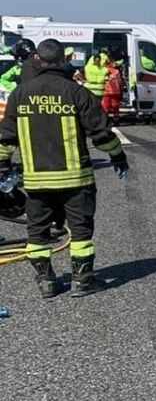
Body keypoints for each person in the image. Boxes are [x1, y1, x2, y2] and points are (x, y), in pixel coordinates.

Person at [0, 39, 129, 298]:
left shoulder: (21, 94)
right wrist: (118, 156)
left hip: (36, 182)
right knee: (80, 231)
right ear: (64, 61)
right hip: (75, 180)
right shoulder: (76, 92)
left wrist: (3, 167)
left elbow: (6, 139)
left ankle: (46, 282)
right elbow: (101, 134)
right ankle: (82, 281)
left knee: (37, 232)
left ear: (37, 60)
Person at [101, 52, 124, 126]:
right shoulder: (116, 71)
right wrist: (121, 90)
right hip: (115, 91)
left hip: (106, 91)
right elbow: (120, 82)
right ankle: (116, 121)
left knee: (105, 106)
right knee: (116, 106)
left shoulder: (104, 70)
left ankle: (105, 121)